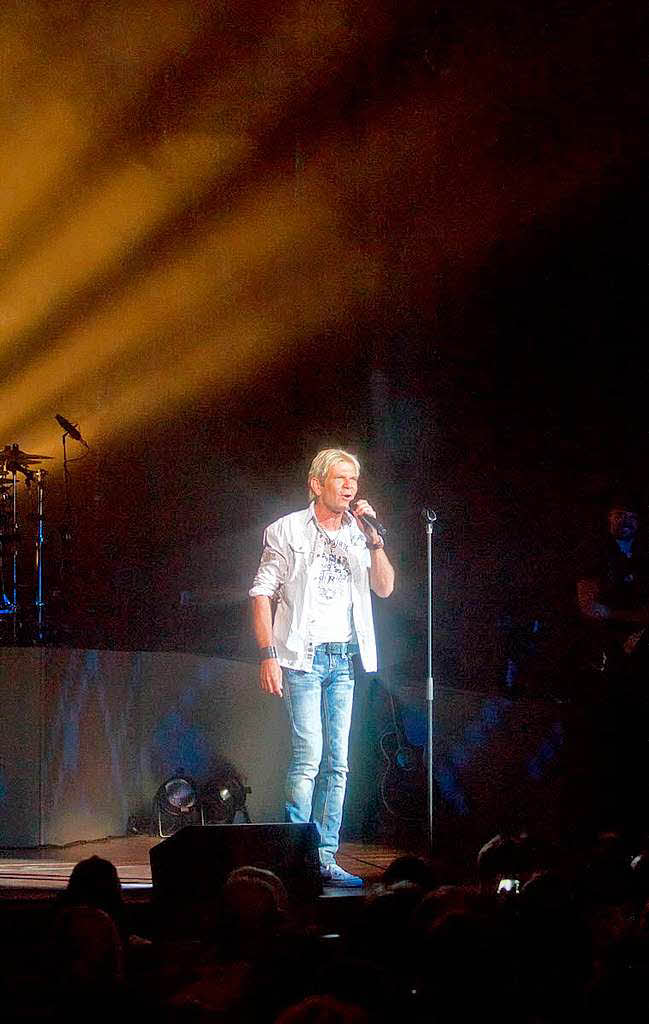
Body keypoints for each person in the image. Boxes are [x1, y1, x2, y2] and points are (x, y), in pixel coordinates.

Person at [249, 448, 394, 886]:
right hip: (303, 658)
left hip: (345, 658)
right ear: (316, 484)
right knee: (308, 757)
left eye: (354, 479)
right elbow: (261, 593)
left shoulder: (359, 532)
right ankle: (297, 855)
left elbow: (384, 588)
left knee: (339, 762)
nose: (350, 486)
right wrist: (268, 654)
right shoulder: (288, 530)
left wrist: (375, 540)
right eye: (340, 478)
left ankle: (325, 856)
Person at [575, 491, 649, 840]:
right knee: (607, 742)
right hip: (604, 664)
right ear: (608, 519)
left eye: (631, 515)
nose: (625, 521)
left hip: (640, 665)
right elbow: (590, 608)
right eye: (619, 514)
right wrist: (627, 619)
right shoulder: (595, 557)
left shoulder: (643, 559)